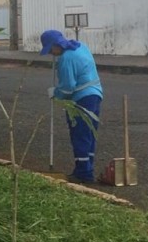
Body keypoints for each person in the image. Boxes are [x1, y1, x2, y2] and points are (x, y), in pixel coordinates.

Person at [40, 29, 103, 184]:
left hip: (81, 98)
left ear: (56, 45)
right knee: (89, 133)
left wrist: (55, 93)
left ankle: (84, 174)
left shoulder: (66, 59)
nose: (51, 53)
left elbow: (68, 87)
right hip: (95, 94)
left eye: (50, 49)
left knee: (79, 134)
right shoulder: (80, 46)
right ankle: (87, 168)